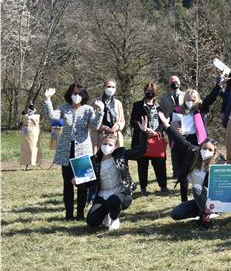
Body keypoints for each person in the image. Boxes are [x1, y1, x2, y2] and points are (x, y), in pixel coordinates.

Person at [43, 84, 103, 220]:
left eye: (79, 94)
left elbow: (95, 126)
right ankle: (69, 214)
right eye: (74, 93)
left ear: (83, 95)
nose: (76, 96)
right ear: (70, 95)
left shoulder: (88, 109)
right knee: (67, 184)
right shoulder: (64, 107)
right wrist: (47, 99)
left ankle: (80, 213)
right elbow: (53, 117)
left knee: (83, 184)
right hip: (66, 150)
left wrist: (100, 111)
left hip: (82, 150)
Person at [158, 112, 223, 231]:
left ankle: (206, 220)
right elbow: (179, 139)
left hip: (214, 201)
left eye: (210, 150)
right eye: (204, 148)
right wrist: (167, 125)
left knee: (197, 188)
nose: (206, 151)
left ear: (214, 152)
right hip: (200, 200)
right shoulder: (192, 153)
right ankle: (201, 212)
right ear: (200, 148)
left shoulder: (218, 164)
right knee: (175, 214)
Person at [82, 117, 149, 231]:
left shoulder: (121, 155)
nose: (107, 147)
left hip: (121, 193)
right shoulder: (94, 160)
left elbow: (140, 151)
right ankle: (105, 215)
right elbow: (89, 182)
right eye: (105, 144)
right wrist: (77, 182)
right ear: (100, 144)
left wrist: (143, 132)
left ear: (115, 146)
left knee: (113, 201)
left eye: (110, 145)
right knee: (92, 221)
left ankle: (114, 218)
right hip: (102, 194)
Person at [170, 87, 218, 202]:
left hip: (197, 142)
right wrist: (176, 130)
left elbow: (209, 100)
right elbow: (171, 125)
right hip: (182, 141)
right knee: (184, 170)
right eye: (187, 99)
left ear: (197, 100)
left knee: (201, 169)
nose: (189, 101)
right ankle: (184, 199)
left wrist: (218, 86)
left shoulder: (200, 110)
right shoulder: (177, 110)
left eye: (192, 99)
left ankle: (204, 196)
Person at [130, 82, 170, 197]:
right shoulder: (137, 105)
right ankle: (143, 188)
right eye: (147, 90)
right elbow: (133, 121)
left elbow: (164, 122)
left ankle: (163, 186)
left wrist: (156, 131)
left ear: (155, 93)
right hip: (141, 139)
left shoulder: (159, 106)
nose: (149, 93)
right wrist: (145, 129)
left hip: (156, 139)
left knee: (160, 164)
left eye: (152, 91)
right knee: (142, 165)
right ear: (144, 91)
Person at [92, 78, 125, 152]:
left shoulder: (118, 103)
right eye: (108, 86)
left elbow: (122, 121)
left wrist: (118, 126)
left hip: (115, 136)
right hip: (99, 136)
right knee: (98, 160)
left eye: (113, 87)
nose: (111, 89)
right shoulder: (95, 102)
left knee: (115, 159)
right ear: (104, 87)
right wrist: (100, 127)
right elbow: (90, 122)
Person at [20, 103, 42, 170]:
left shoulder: (31, 116)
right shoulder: (27, 116)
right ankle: (29, 162)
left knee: (34, 147)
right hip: (30, 131)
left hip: (32, 131)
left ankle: (35, 162)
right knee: (29, 147)